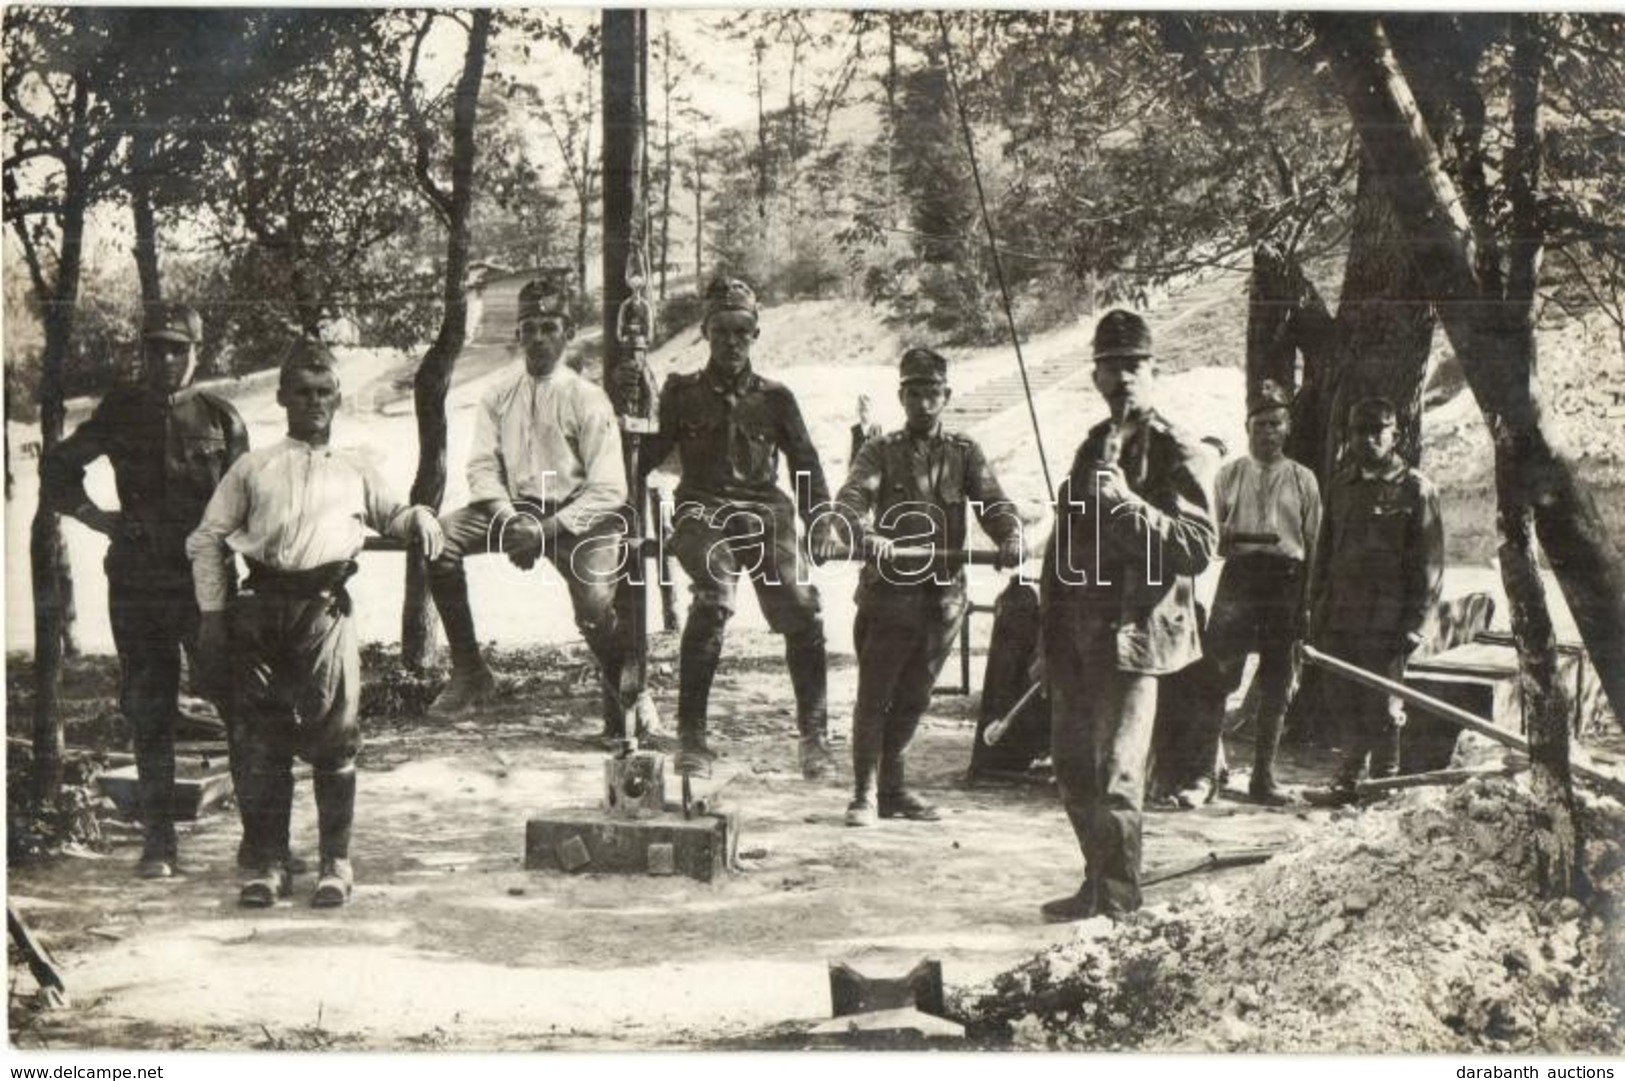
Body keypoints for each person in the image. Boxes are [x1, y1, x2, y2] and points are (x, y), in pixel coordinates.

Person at [187, 340, 444, 908]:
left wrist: (419, 516)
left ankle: (335, 862)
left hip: (323, 612)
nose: (313, 403)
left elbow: (393, 515)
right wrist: (212, 614)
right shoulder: (253, 468)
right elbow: (206, 539)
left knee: (335, 737)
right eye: (301, 392)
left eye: (324, 392)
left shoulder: (356, 467)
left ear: (338, 399)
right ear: (281, 398)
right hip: (259, 613)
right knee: (262, 742)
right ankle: (271, 864)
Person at [43, 302, 248, 879]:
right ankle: (159, 841)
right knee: (150, 707)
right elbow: (60, 467)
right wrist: (96, 517)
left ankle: (260, 838)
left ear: (195, 353)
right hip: (137, 581)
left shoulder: (222, 419)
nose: (165, 359)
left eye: (177, 348)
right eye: (155, 348)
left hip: (205, 582)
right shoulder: (121, 410)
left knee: (236, 700)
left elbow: (250, 505)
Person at [1039, 310, 1218, 921]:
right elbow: (1062, 544)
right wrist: (1049, 633)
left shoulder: (1178, 448)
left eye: (1134, 366)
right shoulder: (1091, 446)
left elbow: (1197, 548)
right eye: (1111, 366)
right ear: (1095, 375)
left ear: (1154, 370)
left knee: (1117, 773)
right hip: (1077, 633)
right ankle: (1097, 883)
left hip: (1134, 635)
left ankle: (1118, 905)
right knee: (1070, 767)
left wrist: (1130, 506)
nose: (1123, 378)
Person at [631, 276, 833, 779]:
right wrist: (628, 419)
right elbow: (644, 458)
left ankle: (815, 736)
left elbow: (805, 464)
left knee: (802, 606)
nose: (732, 341)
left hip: (766, 509)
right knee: (713, 598)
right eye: (722, 330)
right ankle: (692, 738)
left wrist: (822, 520)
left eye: (742, 331)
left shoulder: (777, 399)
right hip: (703, 507)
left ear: (756, 334)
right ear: (706, 332)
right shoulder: (681, 395)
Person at [816, 347, 1024, 826]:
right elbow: (849, 502)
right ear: (902, 396)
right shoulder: (880, 452)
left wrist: (1009, 535)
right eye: (914, 393)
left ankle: (894, 790)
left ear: (946, 396)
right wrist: (869, 537)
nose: (924, 403)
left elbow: (994, 502)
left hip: (942, 601)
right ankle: (864, 794)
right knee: (876, 696)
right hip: (889, 598)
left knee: (915, 697)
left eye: (933, 393)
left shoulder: (964, 452)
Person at [423, 277, 632, 736]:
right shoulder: (498, 393)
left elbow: (610, 489)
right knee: (439, 540)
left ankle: (629, 697)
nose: (538, 337)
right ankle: (470, 670)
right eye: (529, 328)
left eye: (549, 327)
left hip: (579, 516)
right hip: (514, 512)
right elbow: (481, 467)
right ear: (517, 335)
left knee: (597, 607)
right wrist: (511, 518)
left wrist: (546, 529)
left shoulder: (587, 398)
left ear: (568, 331)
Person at [1179, 381, 1322, 807]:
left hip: (1286, 581)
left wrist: (1308, 604)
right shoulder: (1229, 474)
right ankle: (1204, 776)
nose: (1268, 432)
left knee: (1278, 680)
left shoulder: (1303, 479)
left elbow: (1315, 545)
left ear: (1287, 428)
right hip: (1240, 579)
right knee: (1215, 677)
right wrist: (1229, 536)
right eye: (1260, 424)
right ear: (1247, 428)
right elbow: (1207, 537)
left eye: (1276, 424)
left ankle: (1264, 777)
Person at [1302, 396, 1443, 807]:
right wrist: (1317, 608)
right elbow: (1324, 555)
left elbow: (1430, 564)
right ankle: (1349, 779)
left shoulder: (1416, 489)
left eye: (1376, 431)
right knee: (1342, 700)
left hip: (1388, 622)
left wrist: (1419, 622)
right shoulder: (1342, 486)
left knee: (1383, 706)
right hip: (1341, 617)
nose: (1366, 439)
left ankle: (1385, 786)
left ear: (1395, 434)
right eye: (1357, 431)